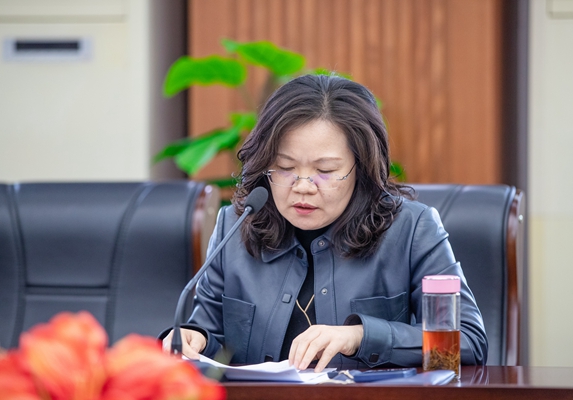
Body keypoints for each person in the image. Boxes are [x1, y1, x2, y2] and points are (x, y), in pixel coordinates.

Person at [162, 74, 488, 371]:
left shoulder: (411, 229)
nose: (303, 186)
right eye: (285, 167)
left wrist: (360, 336)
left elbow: (469, 341)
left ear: (361, 167)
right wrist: (193, 338)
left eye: (326, 171)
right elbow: (210, 335)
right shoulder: (236, 225)